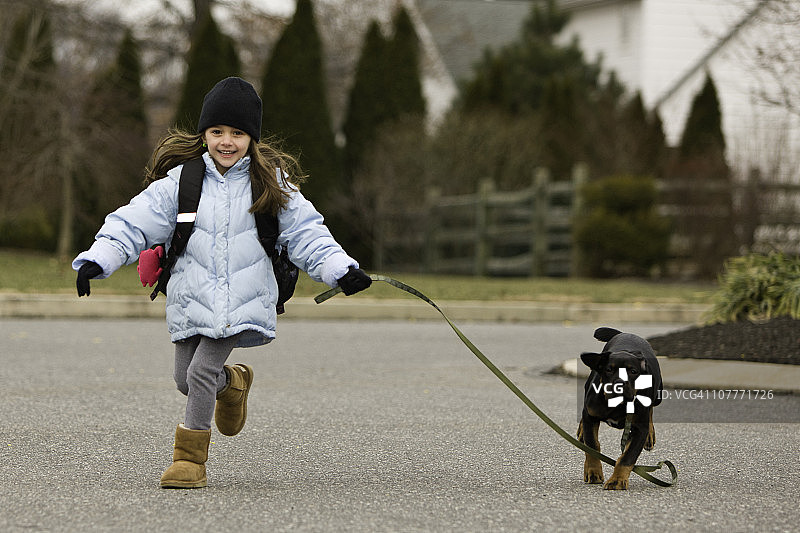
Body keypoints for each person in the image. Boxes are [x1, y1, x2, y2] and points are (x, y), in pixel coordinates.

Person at [72, 77, 372, 489]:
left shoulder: (272, 185)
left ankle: (190, 461)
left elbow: (308, 234)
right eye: (217, 132)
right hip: (192, 298)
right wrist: (97, 259)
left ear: (252, 138)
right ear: (204, 134)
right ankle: (234, 384)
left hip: (242, 300)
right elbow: (131, 224)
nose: (226, 141)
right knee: (186, 379)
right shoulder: (180, 184)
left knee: (198, 374)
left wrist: (341, 269)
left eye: (237, 133)